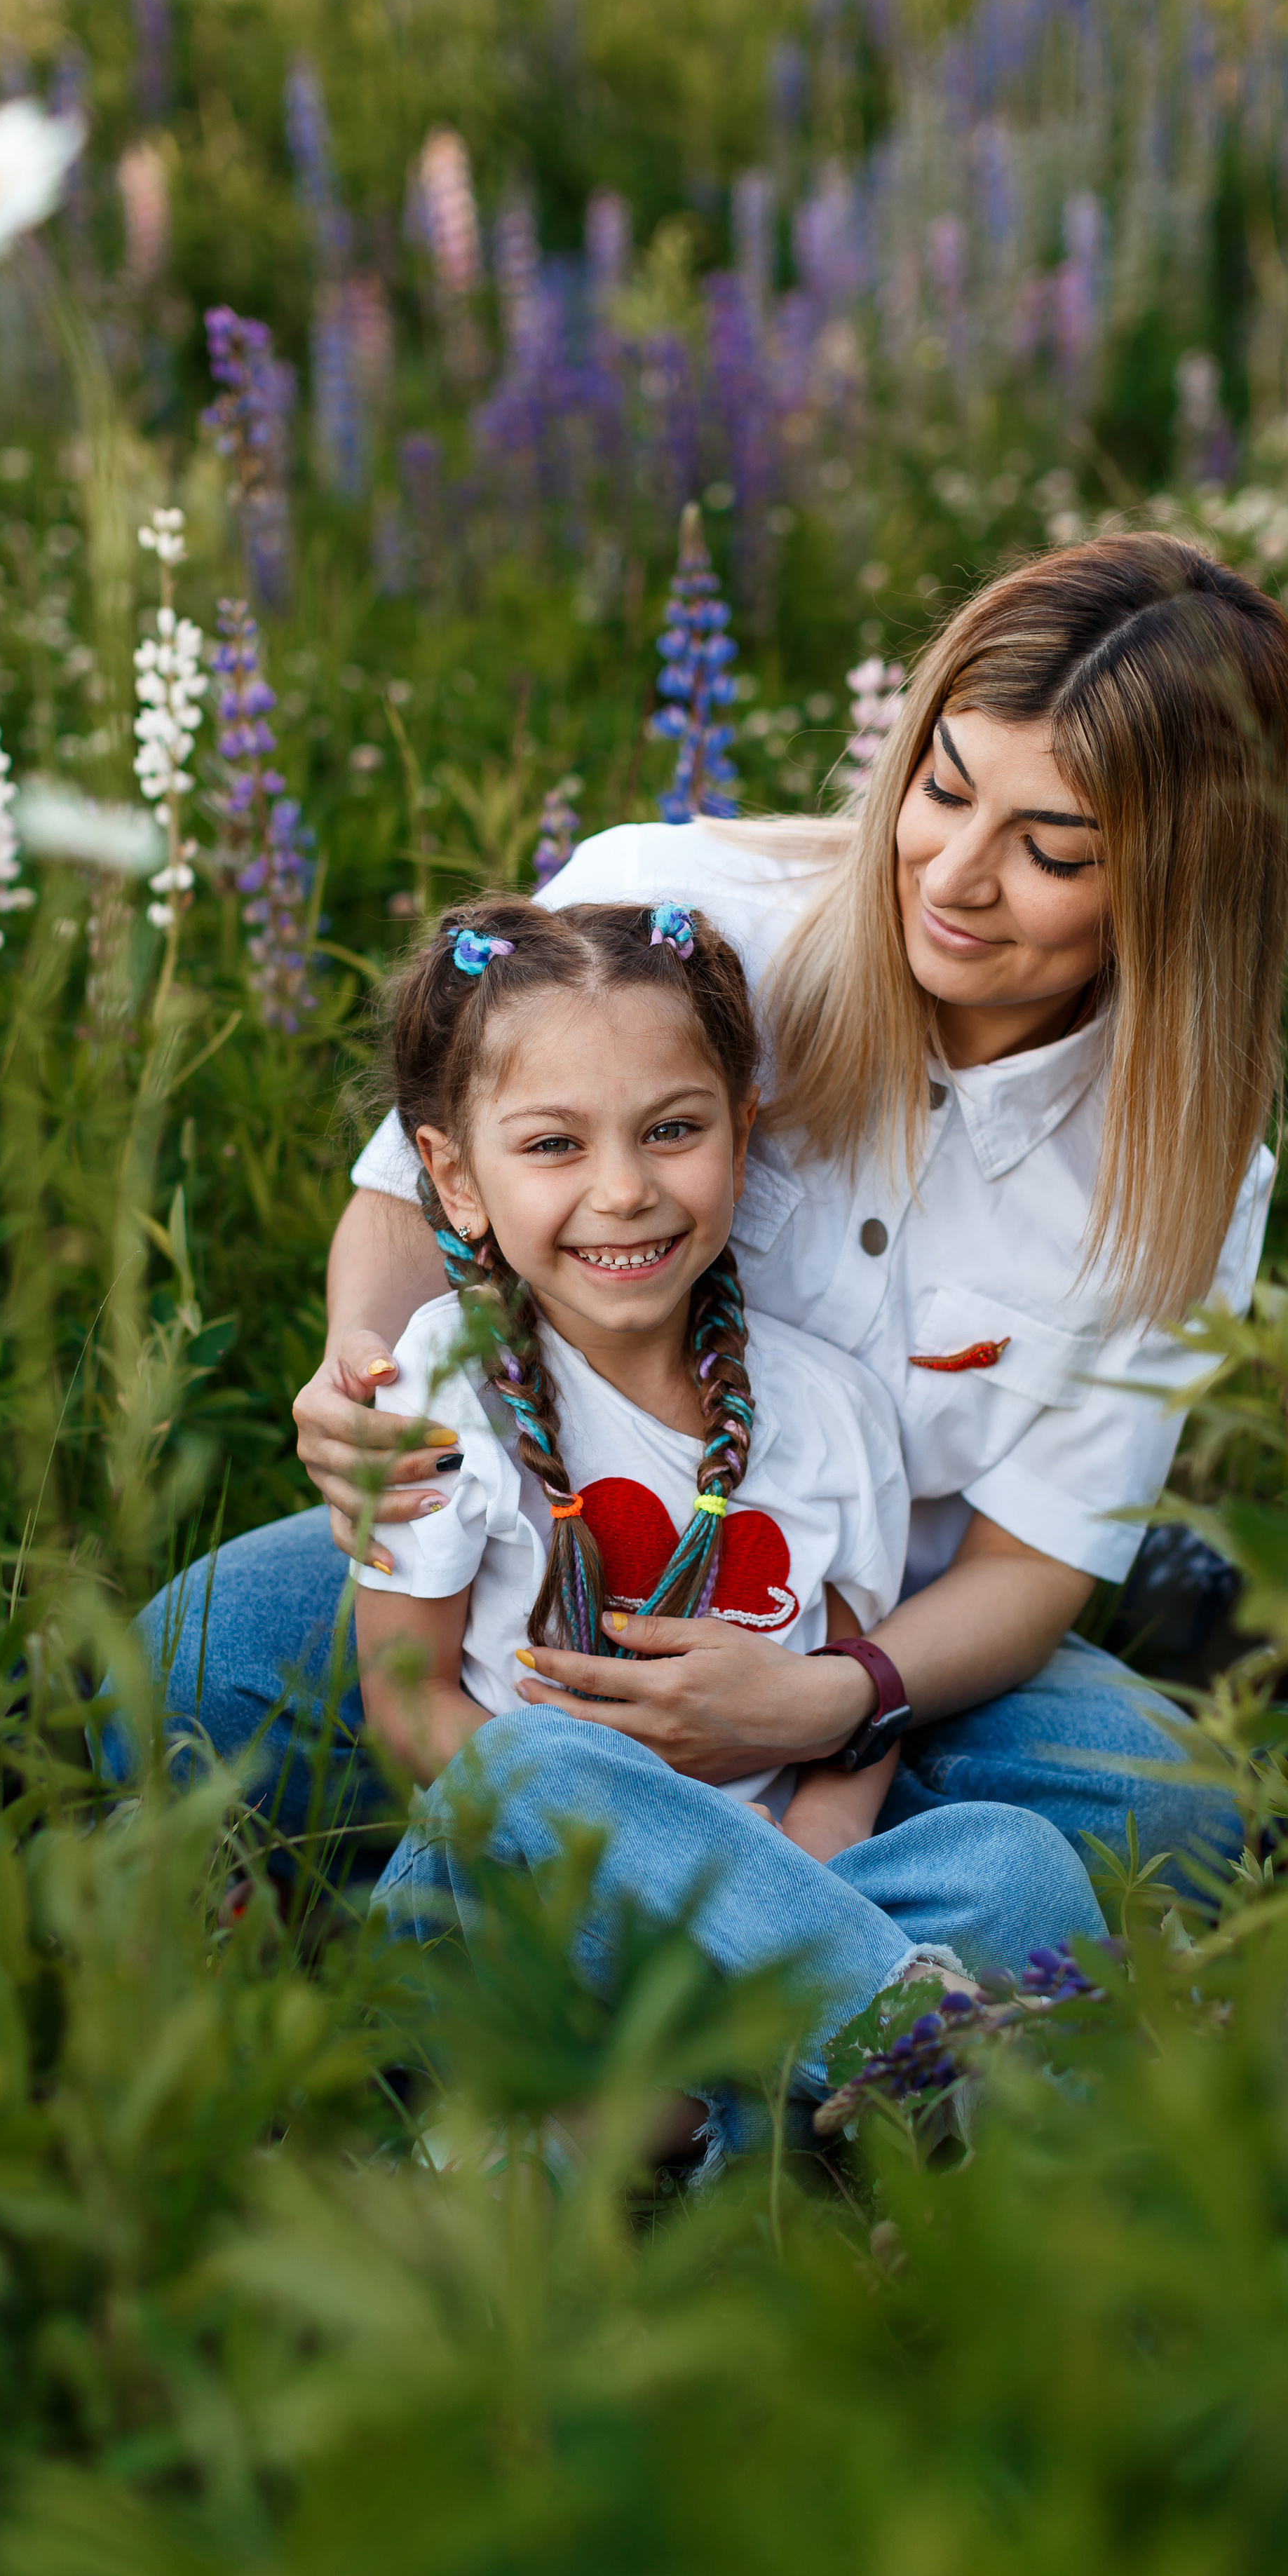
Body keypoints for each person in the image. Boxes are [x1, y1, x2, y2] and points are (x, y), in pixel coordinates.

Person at [129, 533, 1288, 1902]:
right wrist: (363, 1373)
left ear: (1178, 890)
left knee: (1177, 1821)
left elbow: (1028, 1565)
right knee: (185, 1676)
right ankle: (794, 1910)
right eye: (941, 787)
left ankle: (733, 1876)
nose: (951, 876)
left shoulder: (1182, 1167)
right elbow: (413, 1193)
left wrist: (829, 1700)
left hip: (884, 1645)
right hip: (515, 1576)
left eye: (1049, 851)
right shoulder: (683, 922)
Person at [352, 893, 1099, 2135]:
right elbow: (406, 1701)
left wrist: (783, 1901)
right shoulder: (441, 1381)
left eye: (673, 1130)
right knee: (537, 1754)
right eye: (552, 1147)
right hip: (530, 1914)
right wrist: (644, 1869)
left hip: (778, 1921)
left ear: (742, 1137)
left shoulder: (837, 1417)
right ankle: (884, 2063)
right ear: (454, 1177)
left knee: (1016, 1864)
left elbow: (843, 1746)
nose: (624, 1189)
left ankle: (709, 2130)